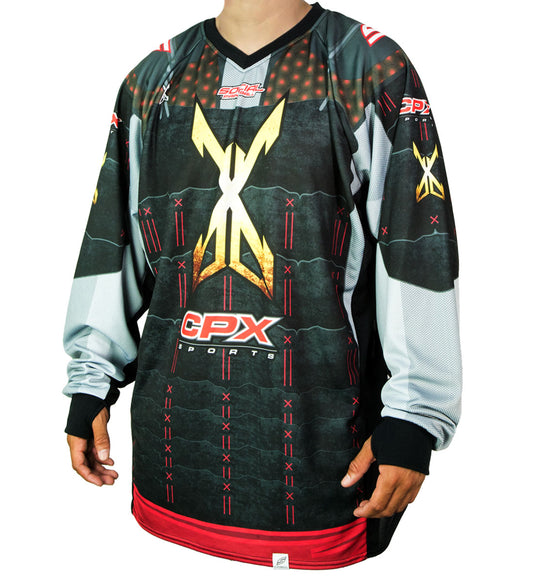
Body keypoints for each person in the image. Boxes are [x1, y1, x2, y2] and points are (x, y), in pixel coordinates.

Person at [64, 0, 461, 569]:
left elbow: (419, 248)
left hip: (321, 471)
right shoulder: (152, 79)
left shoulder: (367, 66)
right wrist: (91, 381)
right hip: (169, 463)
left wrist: (415, 417)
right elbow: (111, 243)